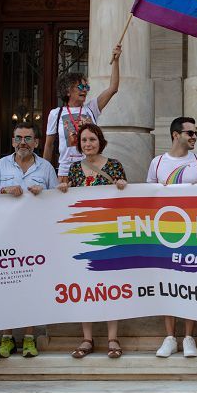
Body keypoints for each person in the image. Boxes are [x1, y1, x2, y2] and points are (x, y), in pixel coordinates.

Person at [0, 122, 60, 359]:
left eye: (28, 138)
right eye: (18, 138)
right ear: (12, 141)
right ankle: (7, 338)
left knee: (31, 286)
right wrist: (3, 192)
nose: (23, 143)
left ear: (37, 143)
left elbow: (58, 199)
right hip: (7, 236)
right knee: (7, 286)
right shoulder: (1, 165)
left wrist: (43, 194)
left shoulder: (46, 167)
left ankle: (29, 337)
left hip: (36, 236)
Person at [55, 123, 128, 358]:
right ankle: (87, 338)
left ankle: (113, 338)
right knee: (84, 286)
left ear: (100, 141)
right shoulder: (75, 169)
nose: (88, 144)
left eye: (92, 140)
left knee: (110, 286)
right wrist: (63, 189)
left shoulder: (115, 166)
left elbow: (125, 198)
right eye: (84, 140)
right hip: (81, 235)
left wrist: (121, 187)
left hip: (107, 234)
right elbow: (66, 201)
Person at [146, 116, 197, 358]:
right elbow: (148, 196)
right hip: (165, 232)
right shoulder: (157, 162)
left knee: (191, 282)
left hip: (194, 231)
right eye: (190, 133)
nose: (194, 137)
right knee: (168, 282)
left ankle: (188, 337)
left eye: (196, 134)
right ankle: (169, 337)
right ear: (176, 134)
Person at [43, 45, 121, 180]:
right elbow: (49, 145)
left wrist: (116, 61)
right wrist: (43, 173)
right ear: (67, 91)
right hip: (65, 172)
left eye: (86, 86)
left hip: (90, 169)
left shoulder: (91, 109)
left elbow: (113, 88)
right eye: (80, 86)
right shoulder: (56, 113)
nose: (84, 90)